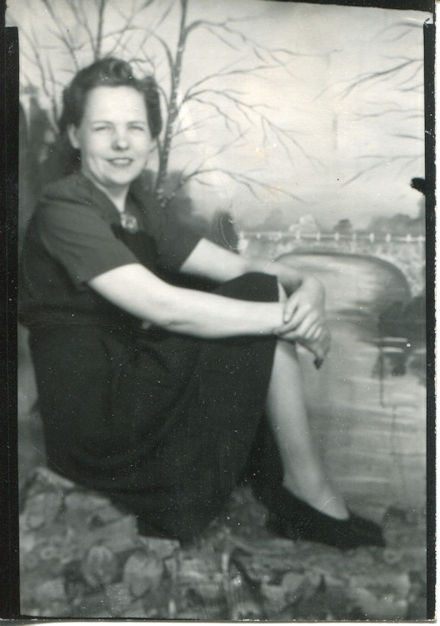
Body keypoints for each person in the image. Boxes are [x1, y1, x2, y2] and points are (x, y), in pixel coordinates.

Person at [19, 57, 384, 550]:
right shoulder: (64, 207)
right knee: (258, 302)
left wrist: (312, 289)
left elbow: (244, 269)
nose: (122, 142)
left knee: (257, 289)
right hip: (95, 422)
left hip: (132, 387)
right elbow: (164, 307)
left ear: (151, 139)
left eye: (135, 128)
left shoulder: (141, 210)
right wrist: (289, 321)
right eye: (103, 128)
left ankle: (306, 490)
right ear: (74, 136)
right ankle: (307, 493)